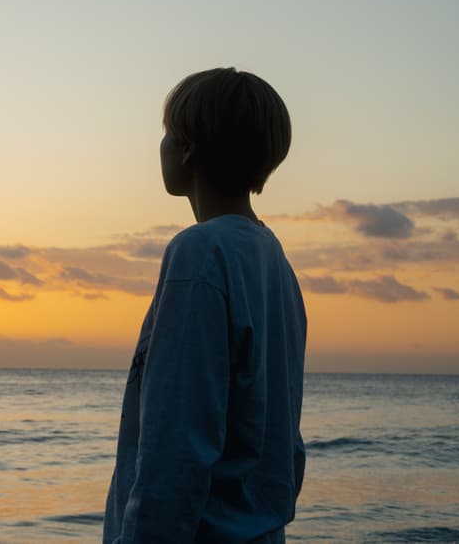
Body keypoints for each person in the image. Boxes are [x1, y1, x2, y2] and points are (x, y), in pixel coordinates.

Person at [104, 68, 307, 544]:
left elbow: (176, 446)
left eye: (168, 132)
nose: (161, 146)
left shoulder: (200, 254)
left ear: (189, 148)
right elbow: (283, 440)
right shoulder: (274, 262)